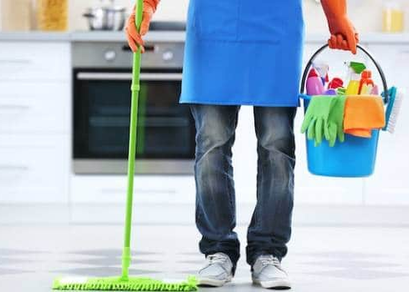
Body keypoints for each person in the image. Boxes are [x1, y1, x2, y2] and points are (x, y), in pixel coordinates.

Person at [126, 0, 358, 289]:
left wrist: (337, 17)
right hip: (213, 29)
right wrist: (146, 5)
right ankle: (218, 249)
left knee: (276, 145)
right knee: (212, 145)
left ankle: (268, 252)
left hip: (277, 28)